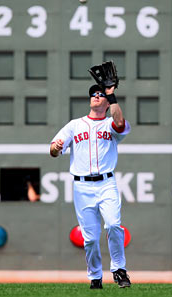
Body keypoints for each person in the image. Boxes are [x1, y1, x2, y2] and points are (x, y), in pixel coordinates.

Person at [49, 84, 131, 289]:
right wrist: (56, 147)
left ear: (106, 101)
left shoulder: (111, 124)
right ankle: (95, 276)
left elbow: (120, 123)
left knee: (113, 225)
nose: (96, 96)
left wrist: (112, 96)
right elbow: (53, 149)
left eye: (100, 94)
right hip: (82, 186)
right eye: (93, 94)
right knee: (91, 239)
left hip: (107, 183)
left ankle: (119, 270)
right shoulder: (74, 126)